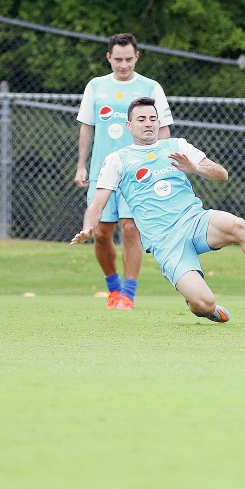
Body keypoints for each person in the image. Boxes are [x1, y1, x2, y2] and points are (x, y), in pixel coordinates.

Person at [73, 97, 245, 321]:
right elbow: (97, 204)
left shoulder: (177, 146)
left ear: (159, 122)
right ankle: (197, 303)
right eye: (141, 119)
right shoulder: (118, 159)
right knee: (205, 303)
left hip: (194, 221)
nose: (148, 123)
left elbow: (222, 174)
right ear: (129, 125)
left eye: (153, 118)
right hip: (165, 241)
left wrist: (195, 168)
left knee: (237, 225)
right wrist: (87, 228)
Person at [75, 34, 173, 310]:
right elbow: (87, 127)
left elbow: (163, 128)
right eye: (118, 59)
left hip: (137, 172)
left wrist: (161, 162)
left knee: (130, 229)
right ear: (108, 58)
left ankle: (128, 294)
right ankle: (113, 288)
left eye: (129, 59)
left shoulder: (151, 87)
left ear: (137, 57)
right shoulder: (96, 87)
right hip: (103, 171)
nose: (123, 65)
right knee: (101, 232)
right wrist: (82, 164)